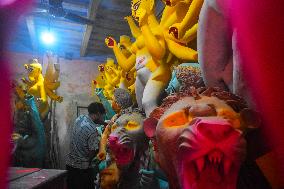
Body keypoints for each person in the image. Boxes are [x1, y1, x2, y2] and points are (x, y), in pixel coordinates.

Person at [66, 102, 107, 189]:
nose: (103, 118)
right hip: (82, 169)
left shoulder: (80, 118)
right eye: (103, 116)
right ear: (98, 114)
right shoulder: (92, 131)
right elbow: (91, 154)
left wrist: (103, 123)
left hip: (70, 164)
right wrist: (102, 144)